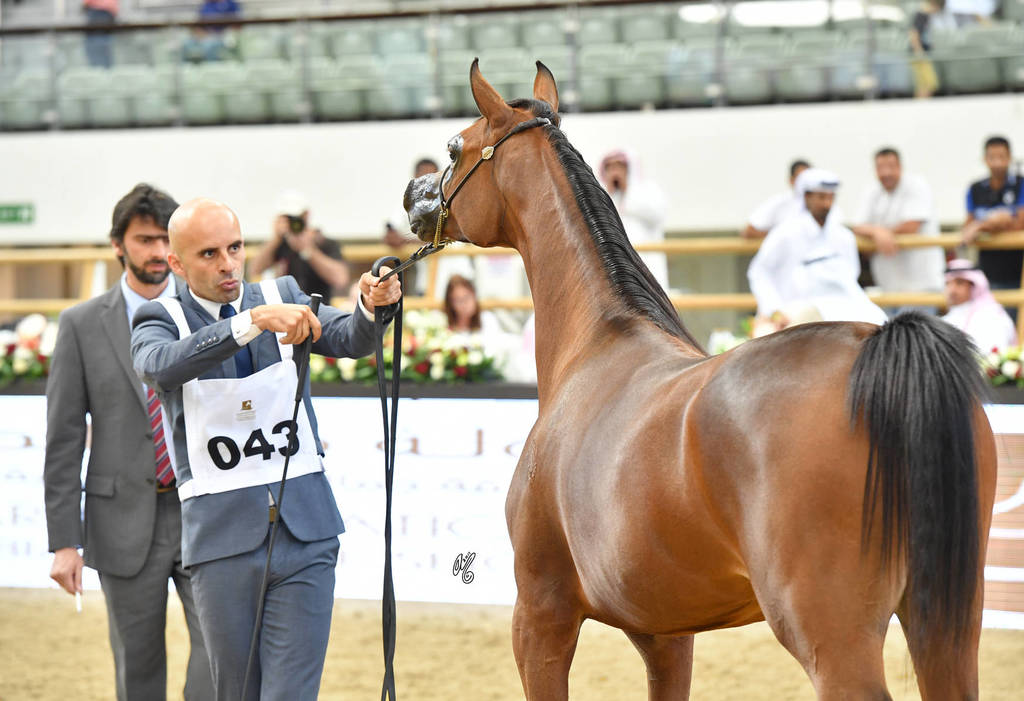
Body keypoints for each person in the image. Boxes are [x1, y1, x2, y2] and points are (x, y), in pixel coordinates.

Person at [130, 198, 401, 701]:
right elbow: (158, 366)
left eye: (234, 248)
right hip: (221, 543)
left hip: (306, 532)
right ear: (177, 264)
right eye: (209, 254)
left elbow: (349, 338)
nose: (228, 263)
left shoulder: (285, 293)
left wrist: (372, 305)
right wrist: (250, 322)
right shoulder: (159, 317)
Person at [43, 184, 214, 701]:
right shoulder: (80, 324)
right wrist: (64, 541)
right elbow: (64, 438)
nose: (158, 251)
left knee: (220, 660)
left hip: (206, 513)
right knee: (137, 672)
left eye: (165, 239)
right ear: (118, 244)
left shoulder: (208, 312)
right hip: (119, 521)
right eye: (144, 239)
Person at [747, 168, 889, 330]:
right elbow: (759, 272)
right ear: (806, 197)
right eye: (821, 197)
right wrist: (774, 309)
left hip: (845, 307)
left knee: (880, 322)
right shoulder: (785, 234)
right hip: (795, 309)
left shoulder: (843, 236)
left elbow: (851, 275)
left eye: (831, 197)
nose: (827, 204)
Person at [850, 147, 944, 303]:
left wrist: (878, 233)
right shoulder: (872, 190)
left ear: (900, 167)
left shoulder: (917, 185)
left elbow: (912, 226)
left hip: (922, 286)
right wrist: (877, 232)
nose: (886, 173)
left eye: (891, 167)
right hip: (887, 287)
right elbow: (857, 226)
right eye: (880, 168)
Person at [963, 135, 1024, 319]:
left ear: (1009, 157)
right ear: (984, 159)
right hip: (987, 272)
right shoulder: (975, 189)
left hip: (1018, 272)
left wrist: (982, 225)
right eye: (992, 157)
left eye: (1002, 157)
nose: (997, 163)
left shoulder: (1020, 184)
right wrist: (999, 221)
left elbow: (1019, 223)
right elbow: (967, 228)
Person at [249, 190, 350, 301]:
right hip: (287, 308)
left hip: (319, 307)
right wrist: (276, 238)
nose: (293, 222)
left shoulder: (323, 243)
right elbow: (254, 270)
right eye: (287, 218)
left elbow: (340, 279)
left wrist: (309, 251)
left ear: (306, 214)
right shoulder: (280, 244)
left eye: (296, 217)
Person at [599, 149, 670, 291]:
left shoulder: (648, 190)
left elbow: (658, 214)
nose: (615, 172)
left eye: (619, 166)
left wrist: (626, 189)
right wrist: (609, 195)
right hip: (616, 269)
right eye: (610, 168)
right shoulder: (603, 195)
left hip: (647, 264)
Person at [942, 259, 1018, 352]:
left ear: (974, 286)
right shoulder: (947, 318)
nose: (952, 290)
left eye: (959, 283)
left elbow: (993, 354)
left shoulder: (991, 315)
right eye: (948, 284)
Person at [742, 159, 811, 239]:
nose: (805, 183)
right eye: (801, 178)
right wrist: (780, 238)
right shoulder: (780, 202)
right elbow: (749, 231)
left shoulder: (821, 205)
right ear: (791, 180)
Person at [82, 0, 118, 68]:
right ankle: (105, 69)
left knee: (96, 44)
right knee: (104, 44)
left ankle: (99, 69)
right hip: (108, 11)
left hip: (98, 11)